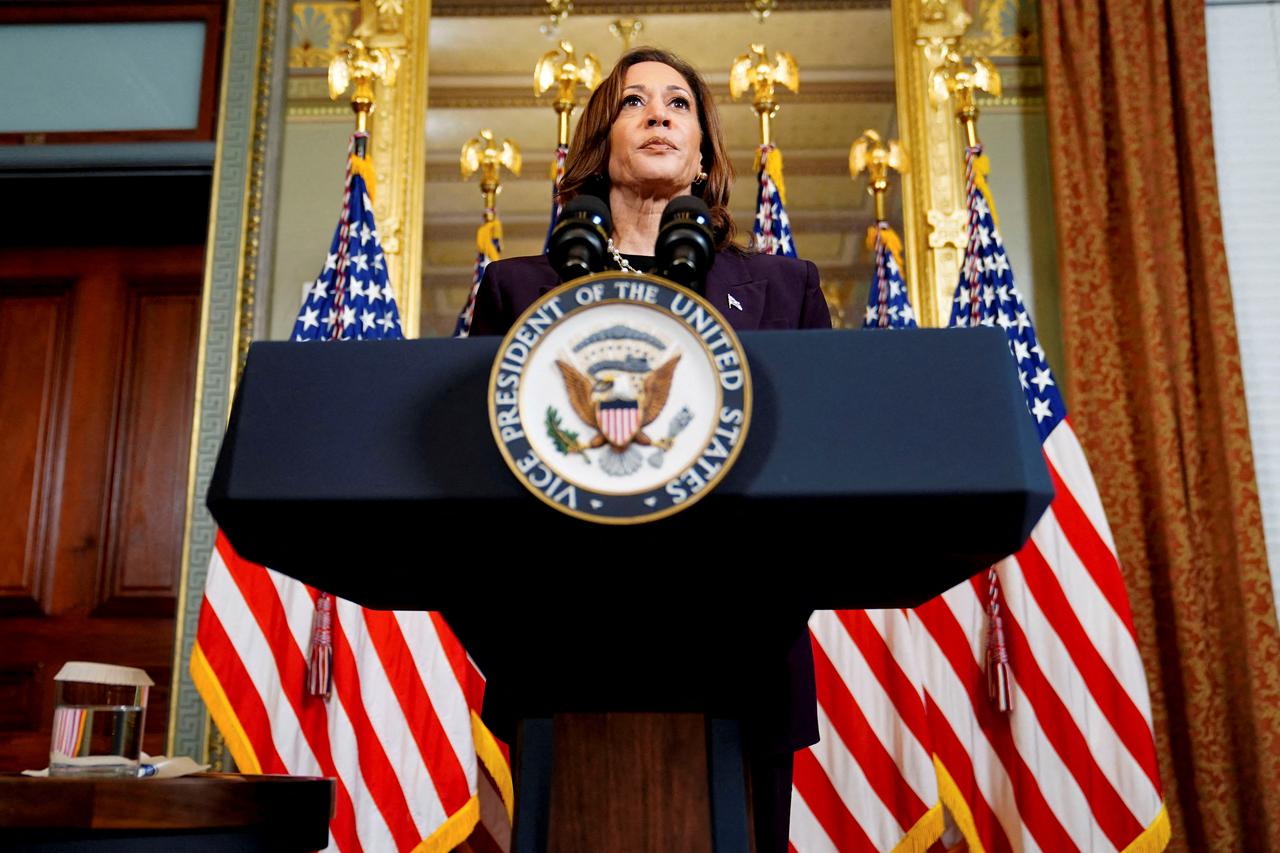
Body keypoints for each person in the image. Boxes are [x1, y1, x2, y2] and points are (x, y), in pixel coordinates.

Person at [465, 47, 829, 852]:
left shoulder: (784, 288)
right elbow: (479, 487)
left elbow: (815, 467)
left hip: (744, 647)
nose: (659, 114)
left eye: (679, 104)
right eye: (635, 103)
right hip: (564, 648)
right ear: (601, 144)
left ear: (703, 153)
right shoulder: (518, 291)